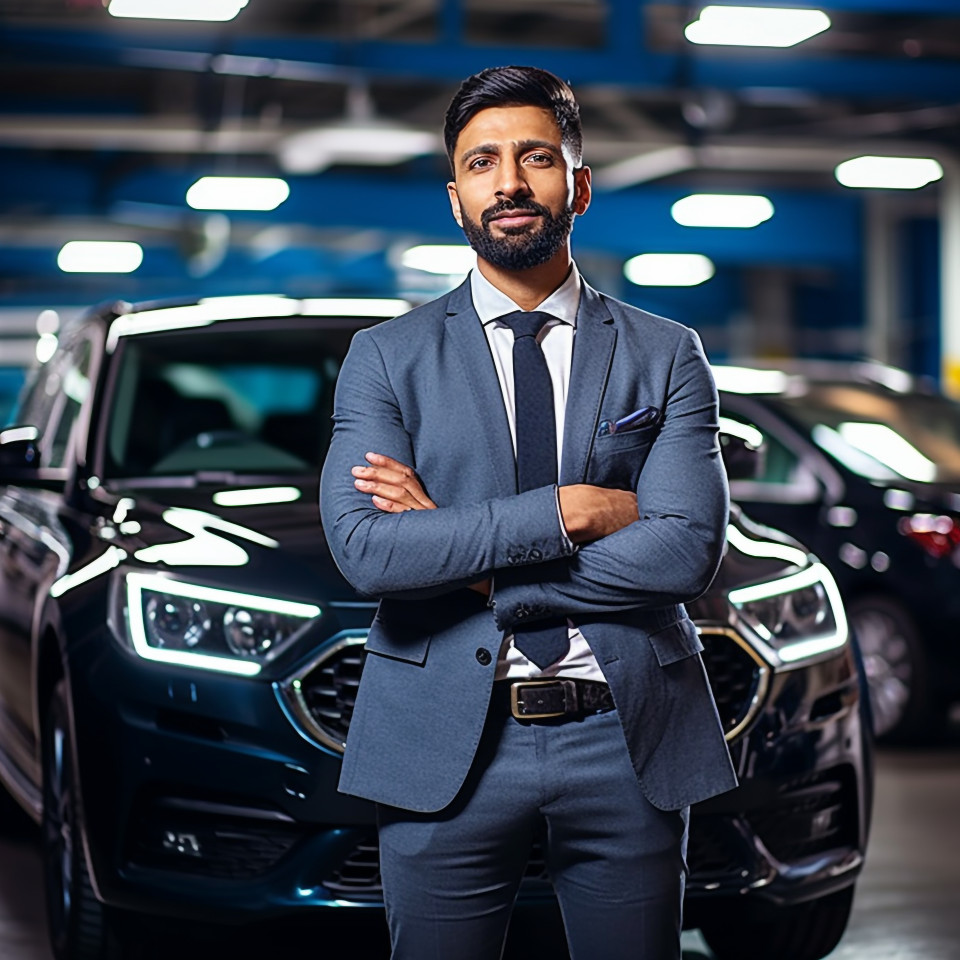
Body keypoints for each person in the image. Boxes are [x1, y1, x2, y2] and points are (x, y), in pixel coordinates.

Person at [319, 64, 737, 960]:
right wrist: (570, 512)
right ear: (456, 196)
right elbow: (366, 552)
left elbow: (686, 552)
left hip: (627, 736)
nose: (508, 182)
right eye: (481, 164)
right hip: (444, 740)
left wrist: (468, 561)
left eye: (535, 157)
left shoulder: (666, 355)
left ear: (577, 184)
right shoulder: (384, 359)